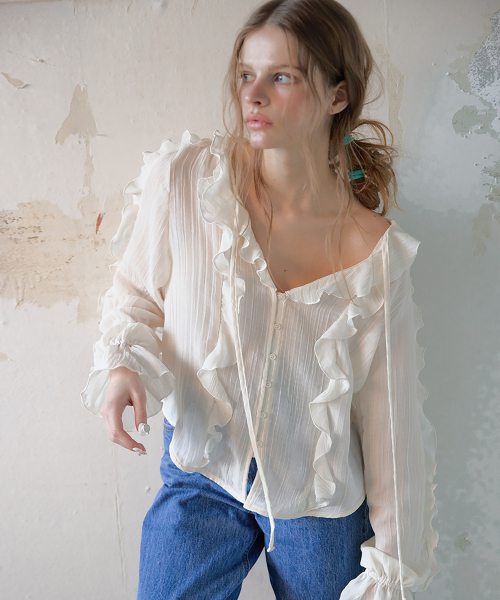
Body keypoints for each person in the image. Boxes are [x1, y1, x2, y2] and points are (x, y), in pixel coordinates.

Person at [81, 1, 440, 598]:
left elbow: (391, 426)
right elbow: (136, 293)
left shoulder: (375, 254)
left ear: (337, 95)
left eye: (282, 77)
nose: (253, 95)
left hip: (318, 503)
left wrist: (394, 567)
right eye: (247, 74)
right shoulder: (188, 180)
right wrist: (122, 365)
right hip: (201, 474)